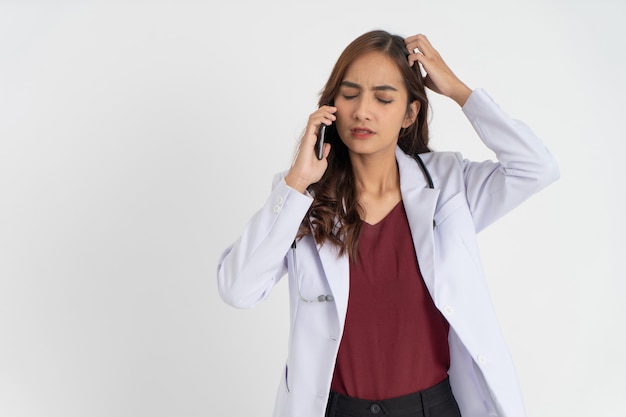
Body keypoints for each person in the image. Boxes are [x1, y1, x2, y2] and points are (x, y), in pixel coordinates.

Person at [217, 30, 559, 417]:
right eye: (349, 95)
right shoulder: (302, 198)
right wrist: (296, 183)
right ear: (331, 107)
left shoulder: (448, 184)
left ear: (410, 113)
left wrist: (459, 91)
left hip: (432, 409)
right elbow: (237, 289)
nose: (363, 111)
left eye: (383, 98)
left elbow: (537, 168)